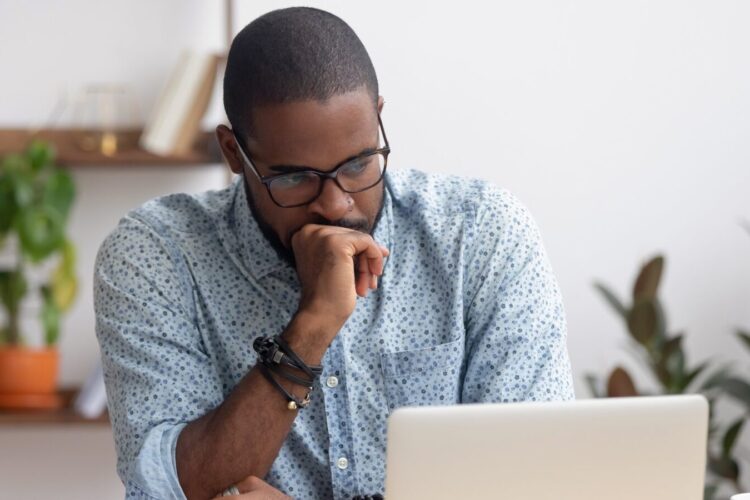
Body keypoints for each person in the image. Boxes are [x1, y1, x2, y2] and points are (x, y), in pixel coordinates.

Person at [94, 7, 575, 500]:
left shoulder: (479, 235)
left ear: (379, 120)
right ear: (234, 154)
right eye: (295, 177)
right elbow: (171, 491)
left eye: (359, 163)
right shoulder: (157, 255)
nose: (336, 203)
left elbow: (537, 477)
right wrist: (313, 324)